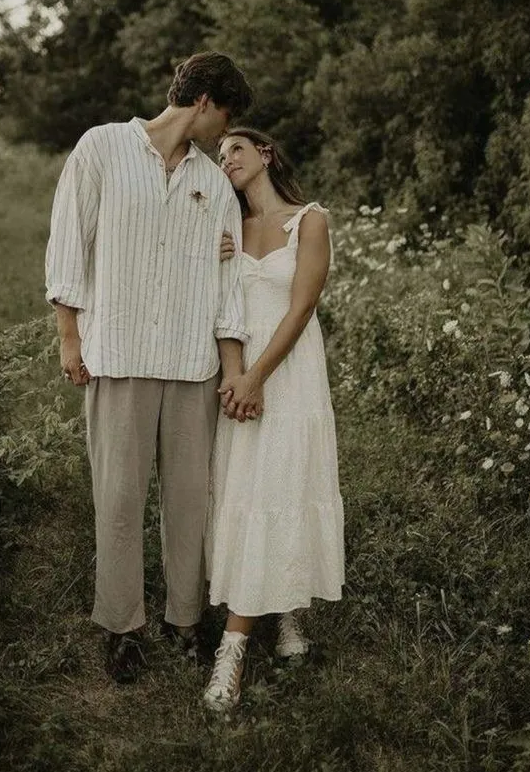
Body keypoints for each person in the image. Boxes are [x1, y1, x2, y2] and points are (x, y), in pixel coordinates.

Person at [44, 52, 255, 684]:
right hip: (119, 352)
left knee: (190, 501)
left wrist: (229, 363)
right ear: (204, 103)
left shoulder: (213, 184)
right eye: (225, 116)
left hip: (191, 363)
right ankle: (121, 625)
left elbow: (227, 285)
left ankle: (183, 619)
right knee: (118, 497)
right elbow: (68, 241)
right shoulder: (102, 148)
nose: (224, 133)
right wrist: (68, 336)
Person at [202, 127, 345, 712]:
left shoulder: (309, 220)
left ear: (264, 154)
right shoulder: (226, 228)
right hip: (240, 371)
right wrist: (235, 377)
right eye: (219, 155)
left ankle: (236, 645)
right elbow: (222, 305)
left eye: (236, 148)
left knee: (285, 483)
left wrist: (258, 376)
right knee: (248, 489)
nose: (226, 159)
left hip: (289, 370)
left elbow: (303, 304)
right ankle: (274, 611)